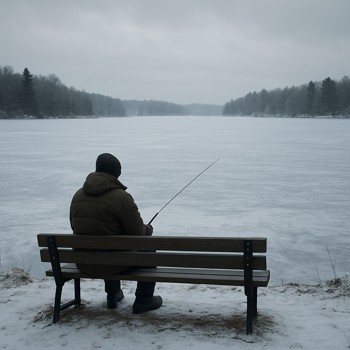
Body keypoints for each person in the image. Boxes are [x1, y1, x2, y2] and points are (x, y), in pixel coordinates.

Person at [70, 153, 162, 314]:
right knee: (148, 249)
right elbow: (138, 233)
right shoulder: (121, 198)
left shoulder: (78, 195)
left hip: (84, 261)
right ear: (116, 173)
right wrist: (148, 229)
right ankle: (144, 299)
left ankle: (113, 294)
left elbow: (76, 226)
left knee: (104, 242)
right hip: (114, 262)